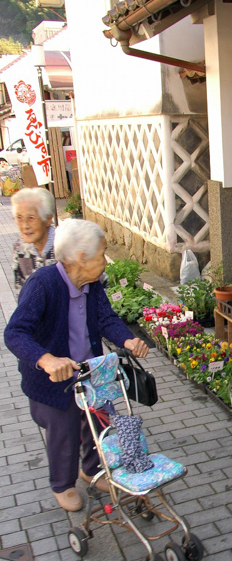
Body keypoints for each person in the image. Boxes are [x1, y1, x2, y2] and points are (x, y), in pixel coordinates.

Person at [4, 219, 149, 512]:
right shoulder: (43, 284)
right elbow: (15, 332)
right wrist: (46, 360)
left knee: (99, 423)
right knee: (64, 432)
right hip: (52, 381)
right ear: (81, 258)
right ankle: (63, 484)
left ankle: (92, 470)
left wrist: (128, 340)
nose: (105, 260)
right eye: (102, 254)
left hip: (90, 371)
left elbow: (105, 318)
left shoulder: (92, 284)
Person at [12, 187, 56, 292]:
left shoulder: (67, 245)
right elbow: (22, 292)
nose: (25, 225)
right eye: (19, 218)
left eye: (31, 218)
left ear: (48, 219)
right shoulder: (20, 249)